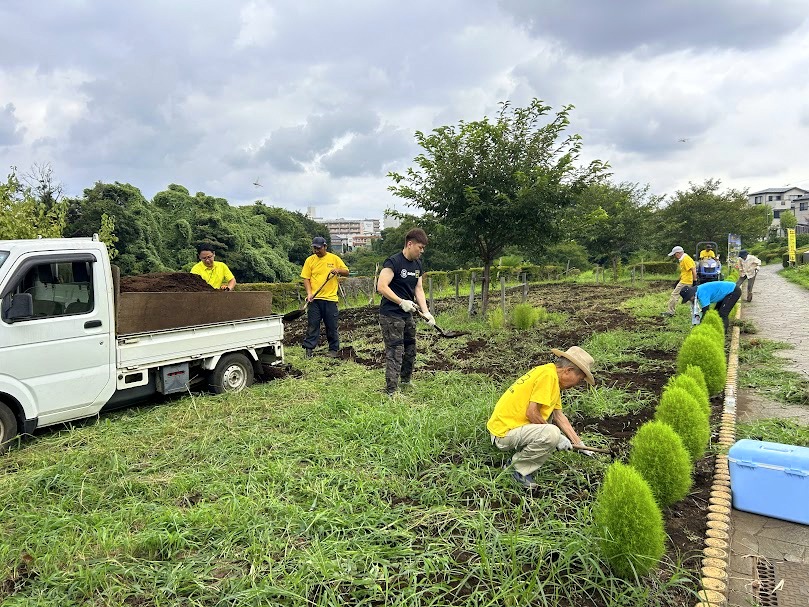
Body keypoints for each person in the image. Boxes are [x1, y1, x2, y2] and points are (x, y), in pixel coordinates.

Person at [487, 346, 596, 489]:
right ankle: (516, 469)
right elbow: (531, 413)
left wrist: (579, 443)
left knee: (551, 428)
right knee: (551, 433)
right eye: (580, 379)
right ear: (568, 371)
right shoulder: (548, 376)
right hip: (504, 433)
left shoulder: (550, 375)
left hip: (508, 428)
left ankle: (522, 458)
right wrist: (557, 437)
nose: (577, 384)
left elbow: (559, 416)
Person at [376, 227, 434, 395]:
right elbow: (381, 286)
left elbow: (419, 289)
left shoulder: (417, 264)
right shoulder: (393, 262)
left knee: (410, 348)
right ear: (410, 244)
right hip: (390, 314)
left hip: (407, 314)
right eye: (420, 247)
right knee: (395, 350)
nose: (422, 251)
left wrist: (426, 312)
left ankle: (406, 381)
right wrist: (401, 302)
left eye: (423, 248)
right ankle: (391, 391)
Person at [300, 236, 349, 358]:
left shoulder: (334, 258)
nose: (316, 250)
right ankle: (309, 349)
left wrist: (337, 270)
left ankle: (333, 349)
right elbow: (306, 278)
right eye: (314, 248)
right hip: (315, 300)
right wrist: (309, 293)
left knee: (331, 325)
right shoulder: (309, 260)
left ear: (325, 247)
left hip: (330, 299)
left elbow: (346, 272)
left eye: (318, 248)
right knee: (313, 324)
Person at [664, 245, 697, 317]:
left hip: (686, 281)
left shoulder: (686, 259)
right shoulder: (683, 259)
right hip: (684, 280)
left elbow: (693, 270)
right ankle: (696, 311)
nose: (675, 256)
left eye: (675, 255)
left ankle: (670, 312)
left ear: (678, 253)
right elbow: (684, 272)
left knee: (674, 295)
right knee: (690, 297)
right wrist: (678, 280)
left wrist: (695, 281)